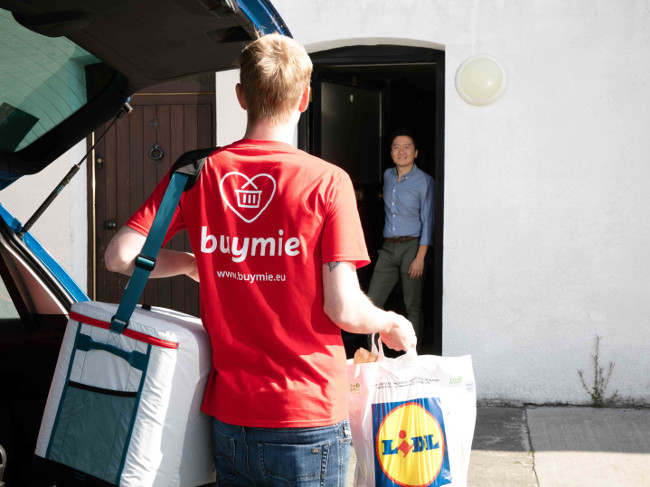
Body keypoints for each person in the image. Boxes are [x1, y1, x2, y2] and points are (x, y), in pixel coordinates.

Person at [104, 33, 416, 486]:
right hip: (306, 414)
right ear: (306, 98)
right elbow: (344, 310)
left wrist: (192, 262)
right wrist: (388, 320)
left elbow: (119, 256)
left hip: (230, 417)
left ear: (241, 96)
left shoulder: (195, 174)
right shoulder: (328, 182)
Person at [367, 129, 434, 349]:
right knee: (372, 302)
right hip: (388, 248)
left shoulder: (424, 181)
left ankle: (412, 356)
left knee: (412, 304)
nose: (401, 151)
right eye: (396, 147)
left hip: (412, 247)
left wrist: (420, 257)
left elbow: (428, 221)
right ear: (391, 153)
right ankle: (372, 354)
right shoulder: (387, 176)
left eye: (407, 147)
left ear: (415, 153)